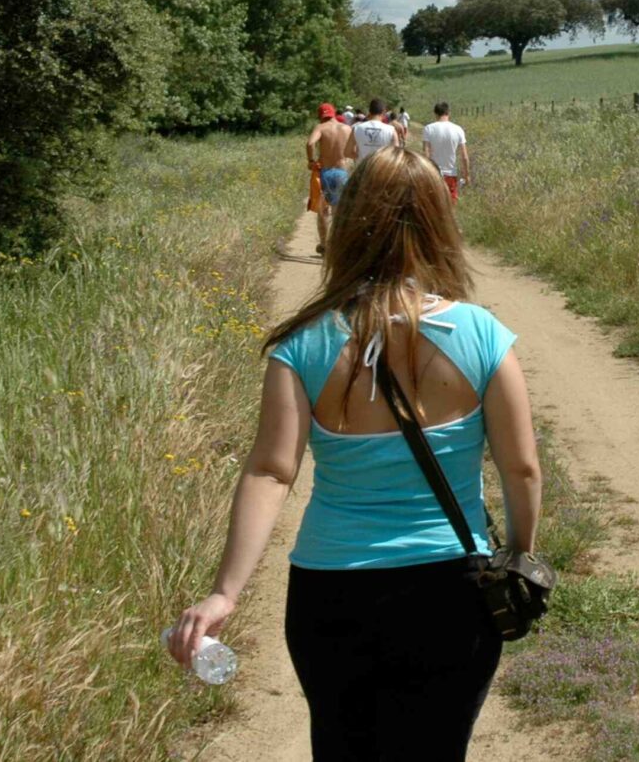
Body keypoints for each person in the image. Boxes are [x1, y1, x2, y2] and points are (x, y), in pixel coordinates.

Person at [167, 147, 543, 762]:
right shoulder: (481, 334)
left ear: (346, 220)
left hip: (330, 593)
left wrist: (225, 593)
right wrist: (520, 551)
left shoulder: (302, 344)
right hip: (452, 590)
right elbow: (522, 466)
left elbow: (270, 470)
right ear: (438, 221)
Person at [305, 103, 352, 255]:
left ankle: (324, 246)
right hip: (342, 172)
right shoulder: (347, 128)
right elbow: (354, 151)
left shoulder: (320, 127)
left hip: (325, 172)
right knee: (338, 212)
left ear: (321, 115)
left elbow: (310, 143)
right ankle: (338, 246)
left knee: (323, 211)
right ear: (333, 113)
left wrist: (311, 161)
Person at [423, 101, 470, 205]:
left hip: (433, 173)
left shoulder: (428, 129)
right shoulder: (458, 129)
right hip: (450, 174)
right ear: (448, 112)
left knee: (433, 206)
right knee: (450, 206)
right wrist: (467, 176)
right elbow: (465, 157)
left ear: (435, 113)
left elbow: (426, 154)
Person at [349, 97, 399, 165]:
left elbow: (347, 152)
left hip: (362, 169)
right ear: (384, 112)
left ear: (369, 112)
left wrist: (360, 159)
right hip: (381, 169)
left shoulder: (356, 128)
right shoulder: (391, 130)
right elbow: (396, 155)